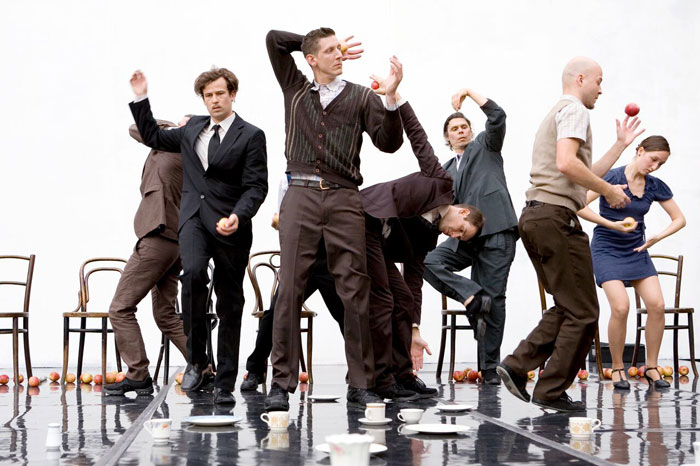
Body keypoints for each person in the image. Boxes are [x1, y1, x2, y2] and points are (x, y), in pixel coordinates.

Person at [264, 28, 403, 411]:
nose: (338, 55)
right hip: (300, 194)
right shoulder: (294, 87)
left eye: (338, 50)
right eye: (329, 51)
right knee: (289, 289)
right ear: (310, 59)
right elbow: (274, 39)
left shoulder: (360, 95)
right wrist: (316, 41)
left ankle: (362, 383)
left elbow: (389, 143)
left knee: (355, 290)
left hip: (344, 198)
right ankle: (280, 383)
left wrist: (391, 99)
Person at [497, 56, 644, 412]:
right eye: (598, 81)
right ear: (580, 79)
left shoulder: (557, 113)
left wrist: (620, 146)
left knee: (569, 306)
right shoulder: (575, 109)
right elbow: (567, 163)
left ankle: (517, 365)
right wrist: (608, 192)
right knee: (585, 312)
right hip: (556, 219)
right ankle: (548, 389)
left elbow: (579, 173)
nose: (601, 89)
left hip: (537, 217)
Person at [128, 67, 268, 406]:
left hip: (230, 224)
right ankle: (196, 359)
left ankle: (225, 383)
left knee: (229, 301)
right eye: (208, 95)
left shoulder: (251, 135)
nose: (214, 100)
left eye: (220, 93)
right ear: (202, 100)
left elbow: (256, 186)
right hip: (192, 220)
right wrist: (141, 97)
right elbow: (151, 135)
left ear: (232, 94)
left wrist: (239, 215)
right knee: (191, 275)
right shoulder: (191, 129)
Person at [363, 76, 484, 399]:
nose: (454, 236)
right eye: (460, 230)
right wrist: (396, 98)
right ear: (461, 211)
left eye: (459, 237)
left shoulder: (430, 236)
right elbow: (419, 139)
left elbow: (414, 280)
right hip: (364, 218)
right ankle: (384, 378)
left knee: (402, 298)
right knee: (386, 299)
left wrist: (414, 328)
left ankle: (403, 375)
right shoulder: (440, 182)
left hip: (379, 244)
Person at [423, 87, 518, 385]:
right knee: (428, 261)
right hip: (463, 237)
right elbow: (437, 210)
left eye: (464, 126)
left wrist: (469, 93)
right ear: (447, 138)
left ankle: (488, 368)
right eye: (454, 128)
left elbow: (497, 116)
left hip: (496, 231)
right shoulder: (446, 170)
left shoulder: (486, 146)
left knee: (494, 299)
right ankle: (472, 295)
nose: (461, 130)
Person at [578, 135, 685, 390]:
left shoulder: (654, 185)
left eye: (661, 164)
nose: (655, 167)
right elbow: (579, 205)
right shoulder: (612, 177)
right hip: (606, 249)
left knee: (657, 305)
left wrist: (657, 237)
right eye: (653, 159)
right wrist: (610, 223)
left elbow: (679, 219)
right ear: (640, 151)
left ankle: (651, 367)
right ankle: (617, 368)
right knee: (621, 307)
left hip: (636, 250)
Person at [105, 116, 190, 396]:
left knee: (120, 308)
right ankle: (202, 369)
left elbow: (137, 128)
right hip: (173, 240)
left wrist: (172, 128)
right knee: (165, 315)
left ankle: (138, 374)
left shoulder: (177, 147)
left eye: (181, 124)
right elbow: (139, 129)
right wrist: (175, 128)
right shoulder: (177, 151)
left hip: (158, 237)